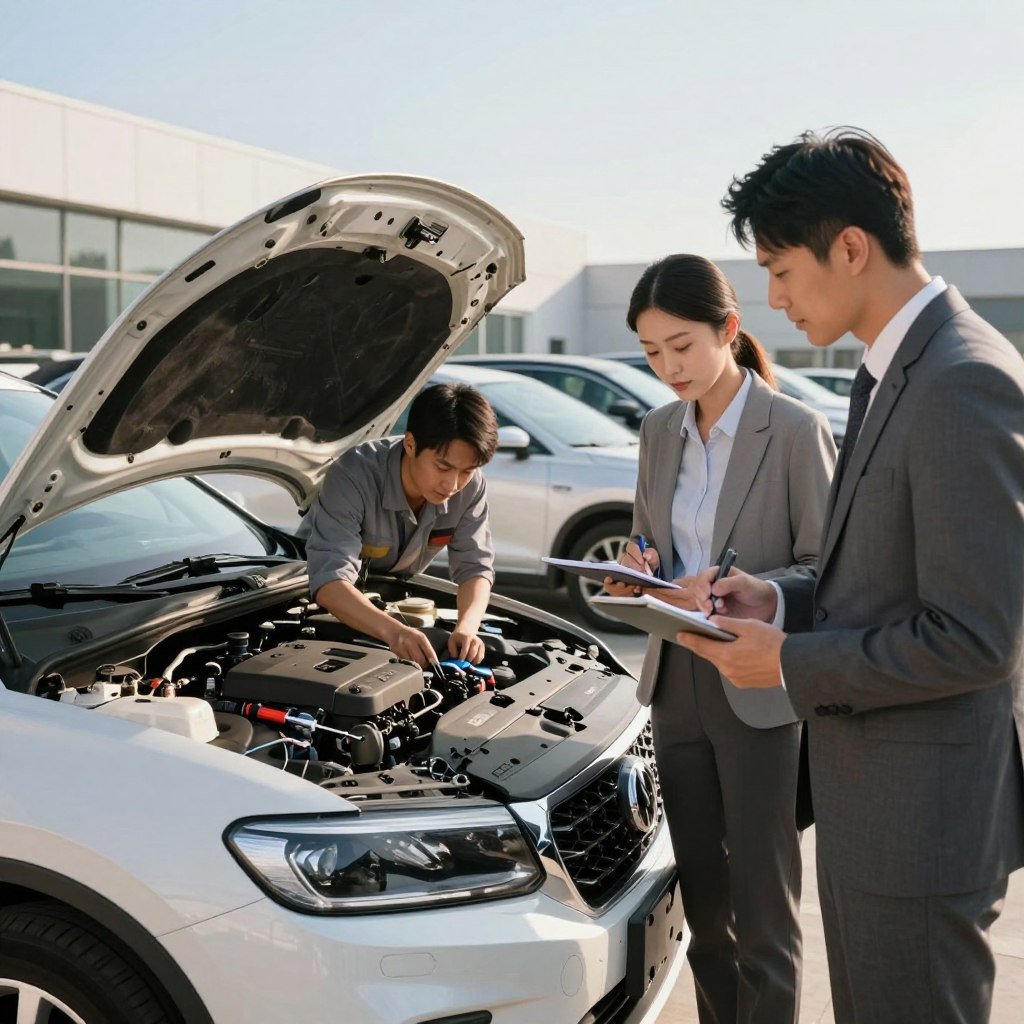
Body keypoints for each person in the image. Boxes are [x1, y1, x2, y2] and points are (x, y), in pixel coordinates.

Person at [681, 129, 1024, 1024]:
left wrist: (789, 664)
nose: (772, 298)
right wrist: (779, 597)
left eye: (781, 269)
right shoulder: (895, 370)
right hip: (881, 810)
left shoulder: (960, 381)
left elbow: (979, 638)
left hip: (922, 826)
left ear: (850, 247)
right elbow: (891, 577)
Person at [605, 254, 836, 1024]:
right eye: (650, 352)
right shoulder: (657, 429)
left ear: (729, 331)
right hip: (676, 686)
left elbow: (828, 573)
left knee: (765, 915)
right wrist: (636, 568)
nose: (667, 367)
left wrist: (755, 594)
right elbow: (648, 545)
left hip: (758, 687)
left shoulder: (796, 430)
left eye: (680, 346)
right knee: (705, 914)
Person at [304, 382, 498, 667]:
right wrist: (395, 634)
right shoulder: (353, 475)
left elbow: (476, 568)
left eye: (466, 471)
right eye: (443, 467)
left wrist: (467, 628)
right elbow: (329, 581)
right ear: (410, 444)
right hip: (312, 594)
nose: (453, 484)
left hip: (386, 599)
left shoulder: (470, 488)